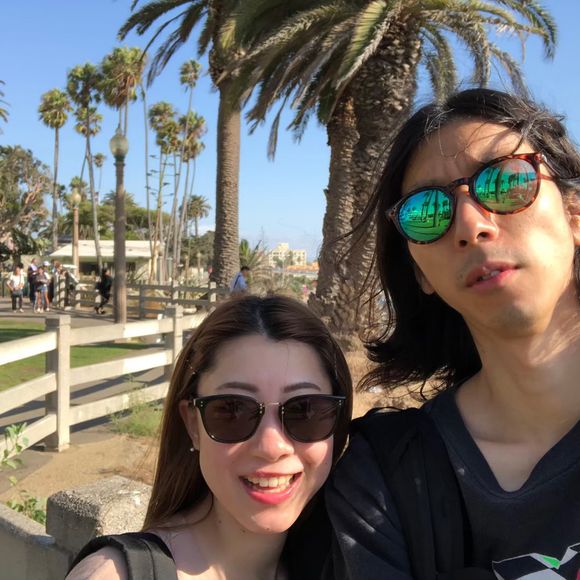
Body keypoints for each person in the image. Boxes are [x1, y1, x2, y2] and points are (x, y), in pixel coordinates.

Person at [325, 88, 580, 579]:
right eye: (427, 212)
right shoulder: (382, 476)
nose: (469, 225)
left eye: (506, 181)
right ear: (420, 273)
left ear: (574, 214)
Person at [67, 295, 353, 580]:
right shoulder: (111, 575)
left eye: (304, 410)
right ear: (193, 424)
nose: (271, 446)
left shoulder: (342, 565)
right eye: (232, 410)